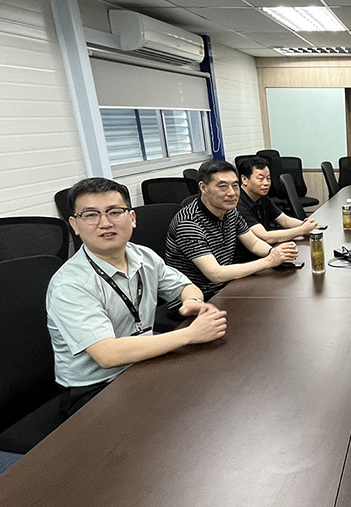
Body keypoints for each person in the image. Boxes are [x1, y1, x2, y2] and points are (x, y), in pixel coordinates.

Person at [47, 178, 228, 418]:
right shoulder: (70, 284)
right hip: (95, 387)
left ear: (132, 218)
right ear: (75, 225)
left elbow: (186, 287)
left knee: (214, 389)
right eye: (90, 215)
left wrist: (192, 303)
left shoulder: (143, 256)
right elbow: (108, 354)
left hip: (141, 363)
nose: (105, 223)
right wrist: (190, 334)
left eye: (114, 212)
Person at [165, 160, 298, 299]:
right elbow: (216, 274)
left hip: (227, 287)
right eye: (223, 186)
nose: (232, 193)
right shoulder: (188, 223)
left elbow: (253, 243)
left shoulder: (230, 212)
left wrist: (274, 253)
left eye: (235, 186)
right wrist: (268, 261)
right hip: (198, 299)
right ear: (203, 188)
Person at [235, 157, 318, 262]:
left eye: (268, 178)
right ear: (244, 179)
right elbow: (265, 237)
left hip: (266, 253)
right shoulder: (238, 204)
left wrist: (308, 226)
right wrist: (302, 230)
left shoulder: (261, 197)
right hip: (248, 260)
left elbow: (284, 220)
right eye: (260, 178)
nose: (266, 183)